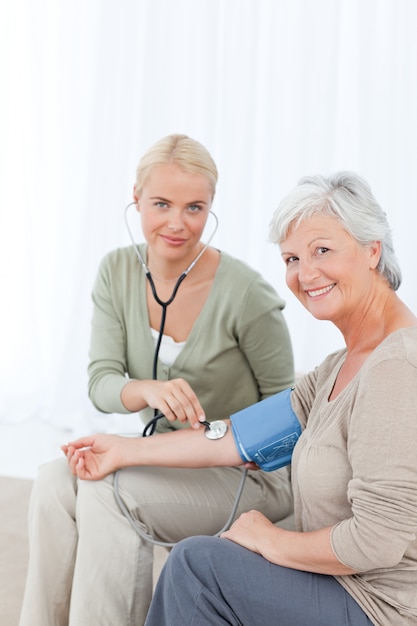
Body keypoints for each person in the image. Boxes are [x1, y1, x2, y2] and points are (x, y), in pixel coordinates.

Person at [62, 171, 416, 625]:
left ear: (373, 250)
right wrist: (125, 449)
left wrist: (271, 539)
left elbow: (377, 540)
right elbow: (239, 436)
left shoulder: (396, 364)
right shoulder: (338, 367)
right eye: (291, 258)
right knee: (211, 558)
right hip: (343, 587)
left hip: (382, 607)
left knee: (198, 567)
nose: (305, 274)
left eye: (322, 250)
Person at [19, 134, 295, 626]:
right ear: (136, 198)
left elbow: (288, 414)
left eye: (194, 207)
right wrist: (147, 390)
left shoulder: (247, 294)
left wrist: (217, 437)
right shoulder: (117, 271)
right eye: (161, 204)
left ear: (211, 208)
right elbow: (101, 381)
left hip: (247, 474)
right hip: (166, 458)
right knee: (56, 480)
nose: (176, 223)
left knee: (108, 492)